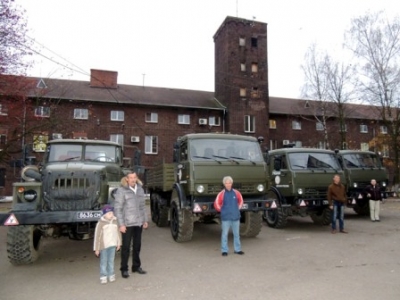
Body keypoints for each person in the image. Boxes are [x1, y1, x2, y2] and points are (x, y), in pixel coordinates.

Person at [114, 172, 148, 279]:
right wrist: (121, 224)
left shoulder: (140, 190)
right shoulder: (121, 190)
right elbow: (118, 209)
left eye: (134, 177)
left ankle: (136, 266)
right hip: (127, 224)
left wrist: (145, 220)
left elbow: (142, 207)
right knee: (126, 248)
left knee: (137, 246)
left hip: (138, 223)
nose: (133, 179)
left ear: (136, 178)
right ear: (127, 179)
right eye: (131, 178)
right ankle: (124, 269)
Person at [214, 176, 244, 256]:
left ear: (232, 183)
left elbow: (241, 201)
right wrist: (223, 211)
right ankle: (224, 250)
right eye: (226, 183)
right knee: (224, 235)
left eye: (229, 183)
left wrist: (237, 210)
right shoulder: (221, 194)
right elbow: (216, 204)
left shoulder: (237, 193)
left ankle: (237, 249)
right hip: (226, 218)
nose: (228, 184)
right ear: (224, 184)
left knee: (237, 234)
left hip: (236, 218)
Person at [93, 205, 122, 284]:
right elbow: (97, 236)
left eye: (112, 213)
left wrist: (119, 243)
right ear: (104, 214)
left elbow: (118, 233)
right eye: (109, 213)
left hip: (112, 245)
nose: (111, 215)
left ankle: (111, 274)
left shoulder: (115, 221)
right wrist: (97, 248)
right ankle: (103, 276)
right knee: (104, 261)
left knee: (111, 261)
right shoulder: (101, 223)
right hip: (104, 246)